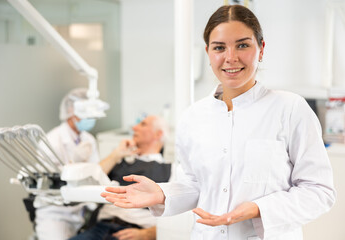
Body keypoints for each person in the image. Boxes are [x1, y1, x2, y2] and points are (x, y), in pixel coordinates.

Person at [101, 5, 336, 240]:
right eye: (219, 48)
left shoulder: (290, 109)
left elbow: (319, 191)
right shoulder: (194, 117)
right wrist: (162, 193)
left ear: (261, 49)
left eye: (243, 45)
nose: (230, 57)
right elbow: (194, 184)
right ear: (208, 52)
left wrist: (258, 209)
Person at [70, 115, 171, 240]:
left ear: (158, 134)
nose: (134, 127)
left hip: (135, 232)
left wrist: (146, 234)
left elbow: (179, 218)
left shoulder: (169, 170)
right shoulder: (119, 163)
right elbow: (90, 179)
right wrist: (116, 154)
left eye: (143, 124)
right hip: (99, 229)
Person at [35, 88, 100, 240]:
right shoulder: (51, 140)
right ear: (71, 109)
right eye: (86, 110)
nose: (90, 116)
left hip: (81, 211)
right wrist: (73, 164)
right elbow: (50, 184)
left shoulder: (88, 139)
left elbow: (96, 173)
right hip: (55, 215)